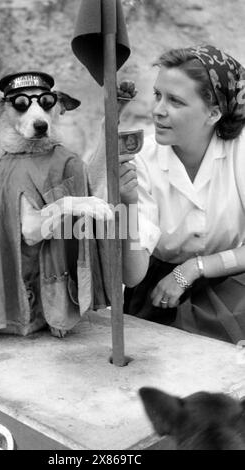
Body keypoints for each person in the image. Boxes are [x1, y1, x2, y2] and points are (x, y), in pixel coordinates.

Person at [123, 45, 245, 344]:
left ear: (214, 113)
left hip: (234, 281)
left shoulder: (241, 150)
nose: (157, 110)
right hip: (160, 292)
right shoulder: (142, 160)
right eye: (157, 95)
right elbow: (132, 276)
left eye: (175, 101)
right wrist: (126, 206)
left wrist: (193, 268)